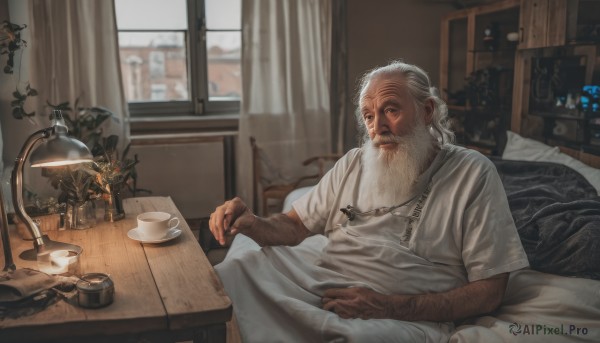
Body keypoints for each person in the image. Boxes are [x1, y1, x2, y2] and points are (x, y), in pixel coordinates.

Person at [209, 61, 529, 342]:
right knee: (238, 268)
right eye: (369, 116)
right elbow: (294, 225)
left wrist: (388, 306)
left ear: (427, 111)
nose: (378, 127)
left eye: (391, 109)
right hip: (324, 276)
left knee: (354, 336)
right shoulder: (354, 162)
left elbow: (490, 291)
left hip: (401, 307)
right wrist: (253, 222)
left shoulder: (473, 172)